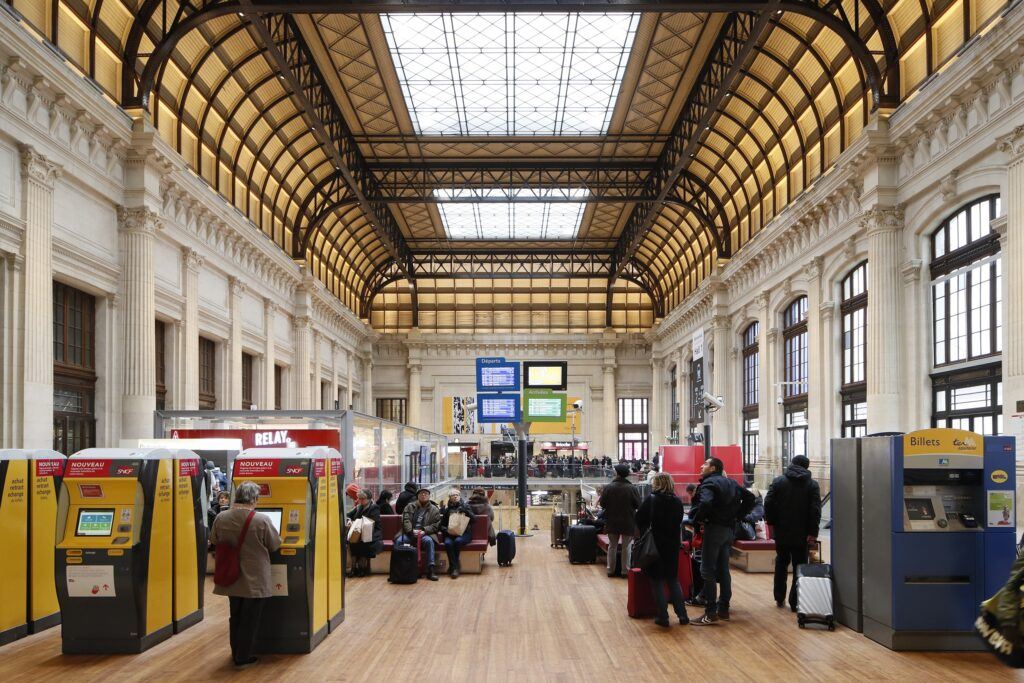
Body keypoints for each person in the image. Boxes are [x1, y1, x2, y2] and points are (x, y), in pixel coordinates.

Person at [209, 481, 281, 668]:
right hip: (254, 578)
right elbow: (274, 544)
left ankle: (236, 653)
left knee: (236, 617)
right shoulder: (261, 520)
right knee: (250, 619)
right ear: (254, 499)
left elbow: (214, 539)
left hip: (231, 576)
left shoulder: (221, 517)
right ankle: (243, 657)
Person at [689, 457, 754, 625]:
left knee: (707, 570)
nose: (702, 466)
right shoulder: (731, 482)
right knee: (723, 569)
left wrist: (697, 520)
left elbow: (705, 503)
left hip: (715, 529)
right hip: (728, 530)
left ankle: (710, 612)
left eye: (705, 464)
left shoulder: (709, 484)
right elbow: (750, 498)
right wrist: (737, 515)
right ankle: (723, 608)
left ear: (713, 468)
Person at [764, 454, 822, 610]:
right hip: (802, 533)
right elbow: (815, 511)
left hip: (781, 530)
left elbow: (768, 503)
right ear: (807, 467)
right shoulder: (812, 485)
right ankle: (795, 602)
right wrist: (813, 532)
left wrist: (771, 522)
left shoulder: (779, 481)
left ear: (792, 463)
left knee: (781, 562)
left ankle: (779, 597)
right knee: (799, 565)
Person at [635, 473, 690, 627]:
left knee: (657, 581)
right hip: (672, 545)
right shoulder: (677, 501)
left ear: (657, 484)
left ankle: (663, 616)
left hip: (654, 545)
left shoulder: (651, 500)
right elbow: (679, 521)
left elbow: (639, 519)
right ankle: (683, 615)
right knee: (673, 580)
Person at [598, 463, 641, 577]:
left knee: (612, 546)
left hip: (612, 521)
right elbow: (638, 505)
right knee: (626, 547)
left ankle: (610, 570)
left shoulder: (608, 487)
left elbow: (602, 504)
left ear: (617, 474)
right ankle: (625, 571)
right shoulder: (632, 488)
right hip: (628, 521)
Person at [397, 488, 441, 581]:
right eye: (421, 494)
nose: (423, 495)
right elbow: (405, 520)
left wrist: (424, 530)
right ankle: (399, 570)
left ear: (429, 496)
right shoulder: (409, 506)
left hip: (425, 534)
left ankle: (431, 569)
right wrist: (411, 531)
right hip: (409, 534)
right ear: (417, 496)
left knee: (429, 541)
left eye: (426, 494)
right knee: (399, 541)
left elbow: (436, 524)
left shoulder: (434, 509)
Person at [346, 488, 383, 577]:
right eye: (359, 498)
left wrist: (357, 524)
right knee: (352, 541)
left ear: (369, 499)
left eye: (362, 499)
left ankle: (362, 568)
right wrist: (349, 520)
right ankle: (353, 568)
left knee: (363, 543)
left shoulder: (374, 508)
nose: (360, 501)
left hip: (372, 533)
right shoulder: (359, 507)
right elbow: (348, 515)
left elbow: (373, 522)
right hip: (359, 532)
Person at [439, 489, 476, 578]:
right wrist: (446, 530)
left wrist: (466, 511)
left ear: (459, 496)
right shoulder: (447, 510)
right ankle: (455, 566)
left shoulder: (466, 506)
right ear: (450, 498)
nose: (455, 496)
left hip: (464, 533)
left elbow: (474, 519)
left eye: (457, 495)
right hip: (450, 534)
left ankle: (453, 567)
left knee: (458, 541)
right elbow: (442, 525)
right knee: (448, 543)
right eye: (453, 495)